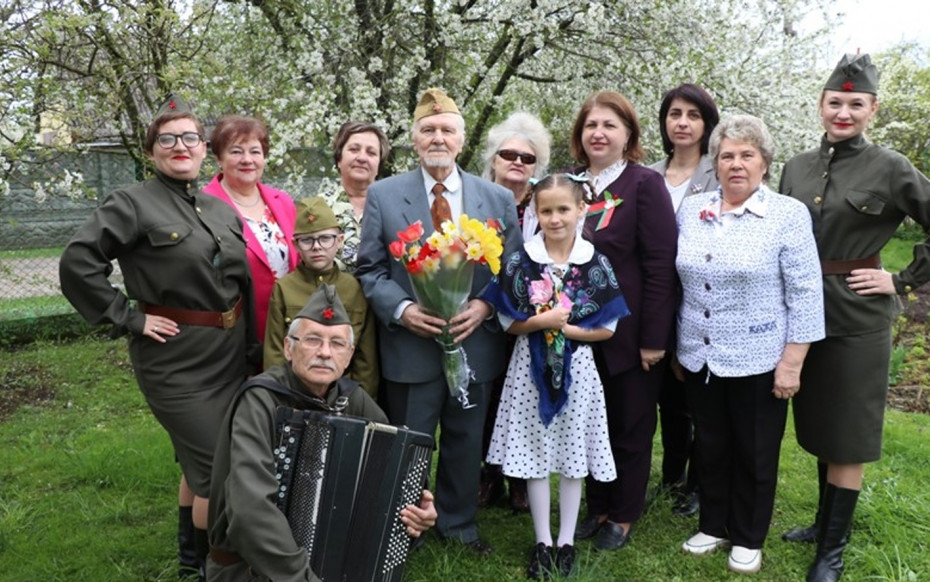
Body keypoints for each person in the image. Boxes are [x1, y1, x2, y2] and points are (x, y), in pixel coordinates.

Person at [59, 95, 259, 579]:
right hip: (176, 362)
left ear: (202, 148)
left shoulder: (218, 207)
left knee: (201, 466)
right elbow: (77, 263)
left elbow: (241, 283)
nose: (180, 146)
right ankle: (224, 566)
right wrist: (127, 317)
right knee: (220, 468)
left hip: (230, 357)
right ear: (152, 151)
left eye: (190, 138)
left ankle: (191, 564)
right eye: (167, 139)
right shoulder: (130, 203)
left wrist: (253, 347)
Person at [779, 53, 930, 582]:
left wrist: (902, 279)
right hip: (801, 313)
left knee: (847, 432)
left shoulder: (890, 166)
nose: (843, 112)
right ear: (821, 105)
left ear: (873, 109)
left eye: (855, 104)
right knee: (821, 424)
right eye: (835, 102)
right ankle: (823, 524)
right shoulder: (796, 167)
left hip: (856, 316)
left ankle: (832, 552)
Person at [356, 87, 522, 555]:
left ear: (461, 138)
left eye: (446, 129)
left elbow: (509, 271)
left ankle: (458, 524)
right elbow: (368, 268)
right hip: (411, 347)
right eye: (427, 129)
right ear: (414, 137)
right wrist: (404, 309)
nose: (437, 137)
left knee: (467, 439)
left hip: (474, 343)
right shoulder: (385, 196)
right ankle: (404, 528)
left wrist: (485, 306)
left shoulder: (496, 198)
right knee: (410, 441)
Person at [675, 114, 825, 574]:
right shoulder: (693, 209)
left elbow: (805, 291)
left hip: (760, 356)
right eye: (726, 156)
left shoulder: (786, 214)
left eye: (746, 156)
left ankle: (748, 534)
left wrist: (792, 363)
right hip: (700, 353)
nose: (735, 164)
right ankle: (714, 524)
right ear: (715, 164)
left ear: (764, 164)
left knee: (756, 449)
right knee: (712, 445)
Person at [207, 285, 437, 581]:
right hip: (250, 569)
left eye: (337, 344)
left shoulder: (353, 399)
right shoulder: (260, 400)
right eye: (313, 340)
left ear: (349, 354)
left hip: (332, 563)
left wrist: (418, 511)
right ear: (289, 348)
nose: (325, 353)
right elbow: (249, 510)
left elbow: (398, 470)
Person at [483, 174, 629, 579]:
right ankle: (542, 540)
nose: (555, 218)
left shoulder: (594, 261)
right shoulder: (521, 260)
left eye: (563, 209)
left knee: (570, 455)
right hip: (529, 369)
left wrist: (564, 330)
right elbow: (508, 322)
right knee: (533, 454)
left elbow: (608, 327)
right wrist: (540, 321)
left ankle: (566, 540)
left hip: (579, 369)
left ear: (581, 209)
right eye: (545, 210)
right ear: (534, 212)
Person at [569, 90, 678, 551]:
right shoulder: (570, 186)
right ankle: (596, 506)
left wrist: (654, 338)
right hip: (577, 332)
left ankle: (624, 512)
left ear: (629, 135)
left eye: (610, 125)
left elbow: (660, 264)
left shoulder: (643, 184)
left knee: (630, 425)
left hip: (631, 333)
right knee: (590, 421)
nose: (599, 133)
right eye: (591, 125)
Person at [648, 83, 720, 517]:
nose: (683, 123)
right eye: (675, 114)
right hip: (658, 296)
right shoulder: (648, 172)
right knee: (668, 397)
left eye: (693, 115)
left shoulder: (719, 169)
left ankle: (699, 483)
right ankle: (671, 474)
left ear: (707, 123)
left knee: (699, 397)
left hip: (702, 297)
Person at [477, 111, 552, 512]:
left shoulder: (543, 204)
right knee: (488, 397)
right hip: (485, 316)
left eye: (528, 158)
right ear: (493, 158)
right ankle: (487, 475)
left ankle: (522, 478)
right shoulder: (475, 198)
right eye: (509, 154)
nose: (517, 163)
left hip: (534, 319)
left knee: (526, 396)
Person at [264, 196, 379, 397]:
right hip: (295, 394)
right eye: (307, 240)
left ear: (340, 241)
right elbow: (275, 353)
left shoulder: (354, 288)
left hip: (343, 393)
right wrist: (280, 398)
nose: (317, 247)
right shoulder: (284, 288)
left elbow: (366, 358)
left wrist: (358, 400)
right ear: (296, 246)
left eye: (325, 238)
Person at [203, 115, 298, 343]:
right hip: (235, 332)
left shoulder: (283, 202)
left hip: (289, 326)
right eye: (236, 152)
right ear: (219, 158)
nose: (247, 160)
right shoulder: (204, 206)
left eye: (255, 151)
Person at [316, 121, 391, 273]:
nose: (362, 158)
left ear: (379, 165)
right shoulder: (318, 207)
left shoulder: (393, 207)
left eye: (371, 153)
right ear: (339, 159)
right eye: (354, 149)